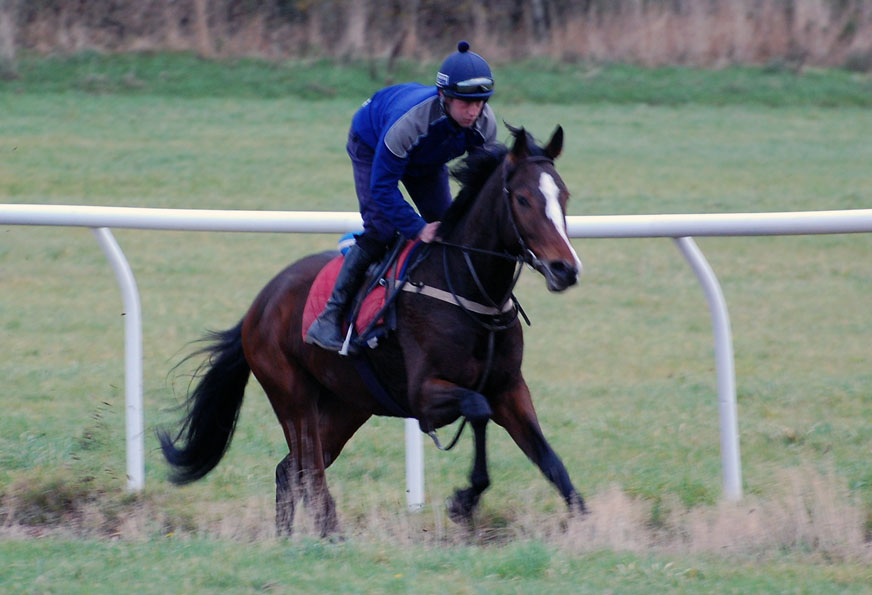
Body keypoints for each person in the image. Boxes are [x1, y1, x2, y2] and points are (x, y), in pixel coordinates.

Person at [305, 41, 498, 352]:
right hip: (371, 143)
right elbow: (383, 187)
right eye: (465, 103)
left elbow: (481, 186)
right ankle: (328, 318)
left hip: (425, 161)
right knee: (382, 227)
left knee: (447, 228)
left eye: (480, 103)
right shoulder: (409, 123)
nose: (473, 112)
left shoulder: (484, 125)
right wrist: (417, 228)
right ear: (443, 97)